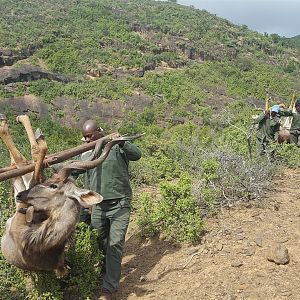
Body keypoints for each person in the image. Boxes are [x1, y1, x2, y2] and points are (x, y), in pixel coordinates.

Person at [77, 120, 142, 300]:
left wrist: (122, 141)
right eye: (85, 136)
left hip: (120, 204)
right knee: (100, 242)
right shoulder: (86, 153)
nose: (86, 139)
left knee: (115, 245)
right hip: (98, 207)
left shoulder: (116, 146)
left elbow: (137, 154)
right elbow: (75, 170)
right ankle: (106, 272)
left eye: (90, 135)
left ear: (99, 131)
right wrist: (53, 168)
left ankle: (109, 289)